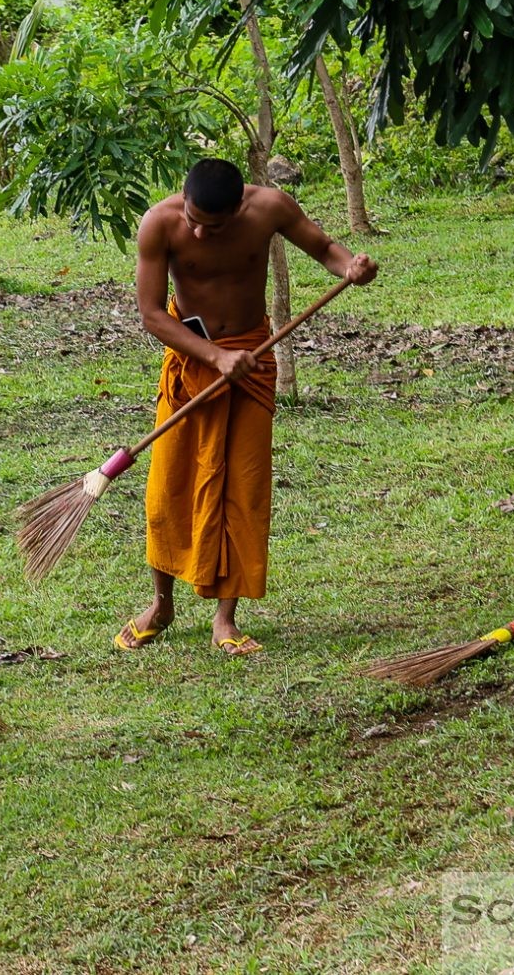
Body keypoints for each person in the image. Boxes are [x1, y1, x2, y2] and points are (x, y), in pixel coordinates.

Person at [119, 159, 378, 656]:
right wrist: (214, 356)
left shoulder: (270, 209)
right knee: (167, 488)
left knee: (244, 486)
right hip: (195, 363)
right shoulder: (160, 222)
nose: (198, 230)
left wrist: (350, 266)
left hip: (251, 362)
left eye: (211, 226)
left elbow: (324, 248)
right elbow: (151, 313)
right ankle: (161, 604)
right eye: (194, 218)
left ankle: (226, 619)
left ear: (239, 209)